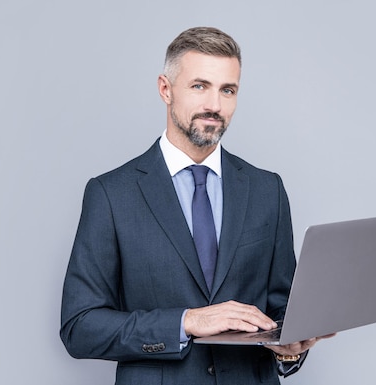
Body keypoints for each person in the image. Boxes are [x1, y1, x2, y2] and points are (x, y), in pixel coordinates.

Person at [60, 26, 332, 385]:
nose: (214, 106)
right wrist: (186, 321)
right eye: (199, 86)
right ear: (165, 89)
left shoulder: (268, 189)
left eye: (227, 90)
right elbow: (80, 326)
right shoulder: (111, 194)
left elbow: (283, 309)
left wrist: (292, 345)